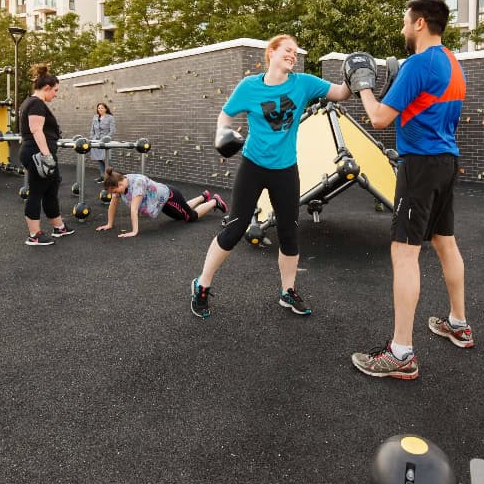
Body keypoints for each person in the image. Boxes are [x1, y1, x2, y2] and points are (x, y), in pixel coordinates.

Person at [349, 0, 472, 381]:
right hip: (446, 162)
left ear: (420, 23)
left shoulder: (419, 63)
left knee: (404, 253)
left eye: (406, 21)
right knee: (445, 242)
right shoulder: (452, 62)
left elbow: (380, 118)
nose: (403, 28)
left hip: (419, 165)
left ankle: (401, 352)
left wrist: (363, 86)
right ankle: (458, 323)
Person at [189, 34, 352, 319]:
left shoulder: (304, 83)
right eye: (287, 50)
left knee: (289, 232)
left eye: (295, 52)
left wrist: (356, 77)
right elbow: (225, 116)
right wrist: (223, 135)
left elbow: (340, 93)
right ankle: (201, 285)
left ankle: (287, 292)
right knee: (234, 229)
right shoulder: (249, 87)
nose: (293, 55)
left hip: (285, 169)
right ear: (272, 53)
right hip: (253, 165)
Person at [18, 64, 75, 246]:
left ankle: (59, 227)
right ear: (47, 88)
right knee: (36, 192)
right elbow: (36, 130)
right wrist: (46, 156)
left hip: (40, 152)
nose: (56, 94)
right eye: (55, 90)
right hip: (38, 153)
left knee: (51, 189)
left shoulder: (32, 102)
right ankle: (34, 235)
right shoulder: (35, 102)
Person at [96, 168, 228, 237]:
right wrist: (109, 224)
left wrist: (134, 231)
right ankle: (202, 197)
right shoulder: (120, 185)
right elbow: (113, 204)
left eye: (113, 190)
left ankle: (214, 201)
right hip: (163, 202)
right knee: (181, 215)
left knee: (190, 217)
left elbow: (134, 209)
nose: (114, 194)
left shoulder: (137, 184)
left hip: (169, 197)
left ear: (118, 184)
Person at [89, 102, 116, 183]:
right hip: (95, 141)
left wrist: (106, 138)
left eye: (102, 108)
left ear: (106, 109)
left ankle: (111, 177)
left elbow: (112, 130)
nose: (100, 109)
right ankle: (102, 176)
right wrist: (92, 138)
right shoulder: (95, 117)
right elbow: (92, 129)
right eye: (99, 108)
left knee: (106, 160)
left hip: (105, 142)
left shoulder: (110, 117)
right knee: (99, 159)